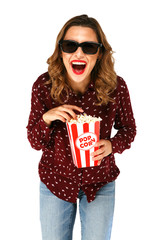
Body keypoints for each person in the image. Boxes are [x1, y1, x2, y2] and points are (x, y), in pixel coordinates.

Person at [27, 14, 136, 240]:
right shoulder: (43, 86)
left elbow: (129, 129)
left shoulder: (116, 87)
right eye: (70, 45)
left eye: (88, 47)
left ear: (99, 54)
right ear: (61, 52)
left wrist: (111, 145)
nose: (79, 53)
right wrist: (47, 118)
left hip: (100, 181)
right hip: (55, 179)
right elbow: (34, 141)